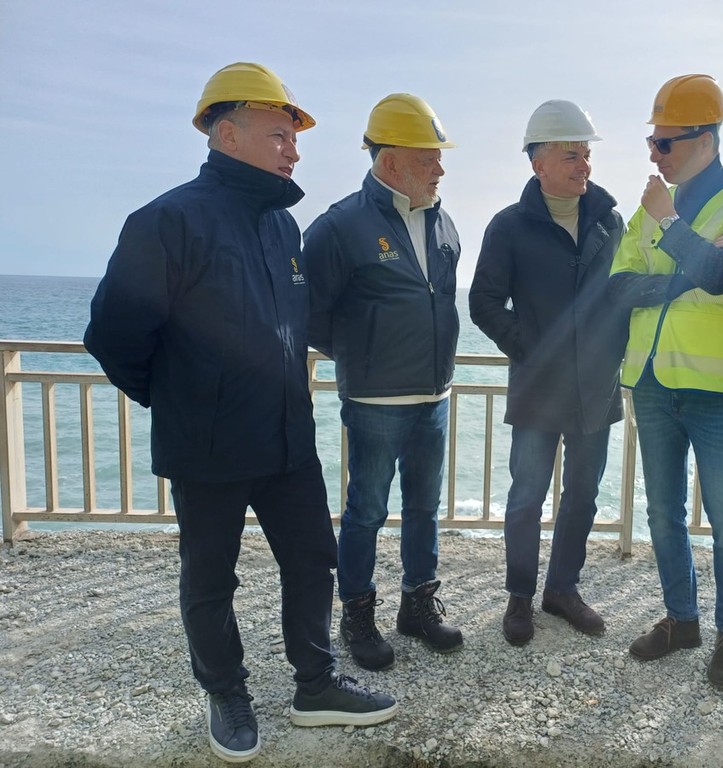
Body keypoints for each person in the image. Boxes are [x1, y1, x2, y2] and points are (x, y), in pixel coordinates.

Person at [83, 62, 396, 764]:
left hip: (287, 439)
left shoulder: (283, 226)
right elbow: (113, 336)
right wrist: (185, 401)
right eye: (279, 135)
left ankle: (316, 685)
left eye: (295, 138)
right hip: (207, 445)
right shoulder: (167, 221)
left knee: (312, 561)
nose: (294, 151)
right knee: (210, 578)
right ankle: (226, 692)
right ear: (227, 134)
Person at [608, 74, 723, 687]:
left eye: (665, 143)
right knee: (662, 511)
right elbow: (621, 286)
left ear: (706, 140)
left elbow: (720, 276)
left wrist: (669, 225)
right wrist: (687, 270)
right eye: (651, 142)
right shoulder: (651, 207)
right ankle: (682, 621)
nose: (654, 155)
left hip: (715, 390)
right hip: (651, 382)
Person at [304, 93, 463, 672]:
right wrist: (364, 354)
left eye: (439, 157)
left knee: (424, 508)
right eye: (428, 158)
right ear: (390, 162)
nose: (440, 169)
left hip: (434, 396)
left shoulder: (443, 221)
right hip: (375, 400)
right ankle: (357, 615)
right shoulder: (340, 226)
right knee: (366, 511)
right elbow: (311, 314)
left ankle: (417, 606)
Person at [469, 100, 630, 646]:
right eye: (571, 156)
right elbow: (485, 302)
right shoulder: (509, 226)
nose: (585, 165)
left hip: (596, 389)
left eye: (586, 154)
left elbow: (621, 296)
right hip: (538, 389)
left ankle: (562, 589)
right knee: (526, 497)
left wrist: (612, 352)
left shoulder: (610, 220)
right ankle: (519, 595)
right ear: (538, 163)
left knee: (583, 495)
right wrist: (530, 350)